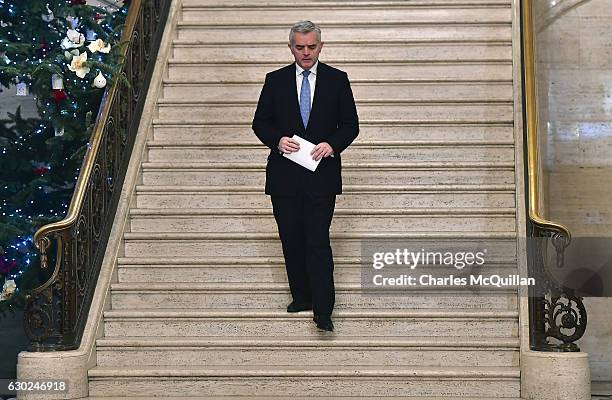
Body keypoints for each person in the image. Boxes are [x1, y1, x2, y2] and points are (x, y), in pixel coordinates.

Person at [252, 20, 359, 332]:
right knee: (291, 238)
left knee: (317, 240)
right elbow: (260, 122)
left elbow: (351, 125)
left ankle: (323, 310)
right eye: (300, 47)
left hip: (321, 176)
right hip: (284, 177)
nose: (306, 52)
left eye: (312, 46)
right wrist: (277, 140)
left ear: (321, 47)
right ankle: (302, 297)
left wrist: (332, 144)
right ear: (291, 47)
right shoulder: (275, 81)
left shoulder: (338, 80)